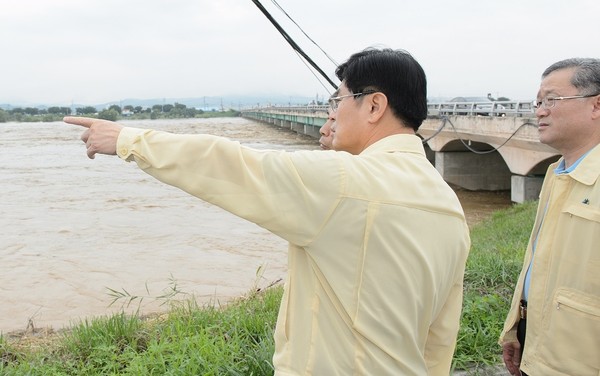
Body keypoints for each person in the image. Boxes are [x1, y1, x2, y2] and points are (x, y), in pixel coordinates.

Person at [64, 47, 470, 375]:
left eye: (339, 98)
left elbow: (232, 165)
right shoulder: (450, 206)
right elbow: (439, 337)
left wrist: (126, 139)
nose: (334, 110)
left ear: (374, 105)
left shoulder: (346, 182)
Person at [499, 58, 600, 376]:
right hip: (539, 345)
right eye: (538, 102)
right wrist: (516, 328)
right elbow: (539, 260)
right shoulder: (558, 173)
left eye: (552, 100)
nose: (540, 111)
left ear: (596, 105)